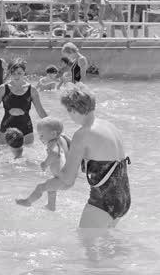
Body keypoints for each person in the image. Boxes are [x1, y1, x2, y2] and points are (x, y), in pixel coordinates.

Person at [16, 84, 131, 228]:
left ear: (73, 109)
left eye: (68, 111)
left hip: (103, 202)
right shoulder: (109, 126)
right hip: (124, 198)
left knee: (86, 245)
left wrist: (49, 179)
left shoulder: (83, 134)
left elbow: (68, 178)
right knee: (107, 243)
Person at [0, 58, 49, 146]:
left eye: (19, 73)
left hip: (26, 130)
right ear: (9, 74)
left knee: (26, 158)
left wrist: (55, 129)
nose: (16, 76)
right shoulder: (2, 89)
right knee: (3, 158)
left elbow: (41, 112)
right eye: (13, 73)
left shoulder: (32, 90)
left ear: (24, 72)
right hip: (6, 130)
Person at [36, 118, 71, 211]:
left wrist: (45, 163)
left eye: (42, 135)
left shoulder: (52, 143)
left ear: (53, 134)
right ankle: (51, 206)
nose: (40, 138)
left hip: (62, 179)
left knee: (42, 186)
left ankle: (30, 203)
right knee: (51, 186)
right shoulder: (62, 138)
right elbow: (72, 145)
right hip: (67, 177)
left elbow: (54, 154)